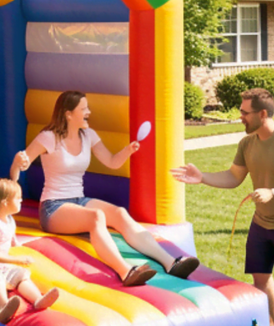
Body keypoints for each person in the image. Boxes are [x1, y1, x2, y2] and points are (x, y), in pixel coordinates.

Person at [171, 88, 274, 326]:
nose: (240, 117)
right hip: (262, 220)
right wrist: (202, 176)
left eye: (244, 112)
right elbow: (234, 177)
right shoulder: (247, 143)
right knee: (260, 278)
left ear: (262, 114)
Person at [12, 90, 199, 287]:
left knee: (119, 212)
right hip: (53, 207)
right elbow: (18, 168)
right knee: (96, 217)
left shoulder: (88, 136)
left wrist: (128, 150)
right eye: (83, 109)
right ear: (68, 114)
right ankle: (126, 271)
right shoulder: (48, 137)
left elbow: (111, 162)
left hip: (79, 200)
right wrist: (17, 163)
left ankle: (171, 263)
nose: (89, 112)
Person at [0, 178, 60, 323]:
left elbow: (14, 243)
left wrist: (30, 252)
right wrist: (18, 260)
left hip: (1, 268)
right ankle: (4, 307)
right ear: (4, 202)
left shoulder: (9, 220)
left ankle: (38, 300)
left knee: (21, 274)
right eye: (18, 198)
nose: (21, 200)